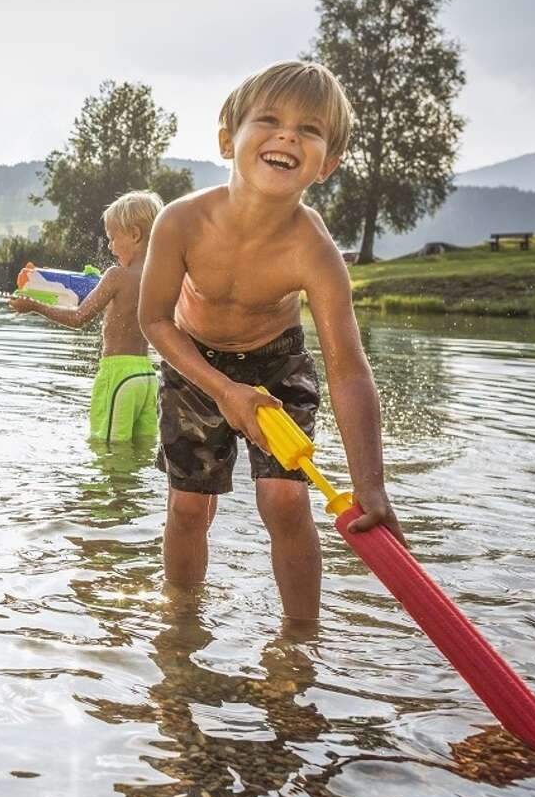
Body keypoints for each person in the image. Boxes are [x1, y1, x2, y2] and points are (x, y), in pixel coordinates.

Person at [138, 60, 402, 621]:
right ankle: (180, 627)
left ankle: (300, 641)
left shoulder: (315, 251)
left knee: (283, 499)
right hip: (193, 361)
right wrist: (224, 391)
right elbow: (156, 322)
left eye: (310, 129)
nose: (288, 135)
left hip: (275, 362)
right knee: (188, 506)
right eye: (271, 119)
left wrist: (370, 485)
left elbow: (348, 370)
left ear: (327, 163)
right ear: (227, 139)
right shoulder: (180, 222)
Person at [9, 190, 163, 446]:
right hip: (147, 377)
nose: (111, 247)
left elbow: (78, 318)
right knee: (142, 449)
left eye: (113, 238)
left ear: (135, 234)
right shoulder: (158, 277)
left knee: (108, 450)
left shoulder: (115, 276)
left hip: (118, 376)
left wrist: (33, 306)